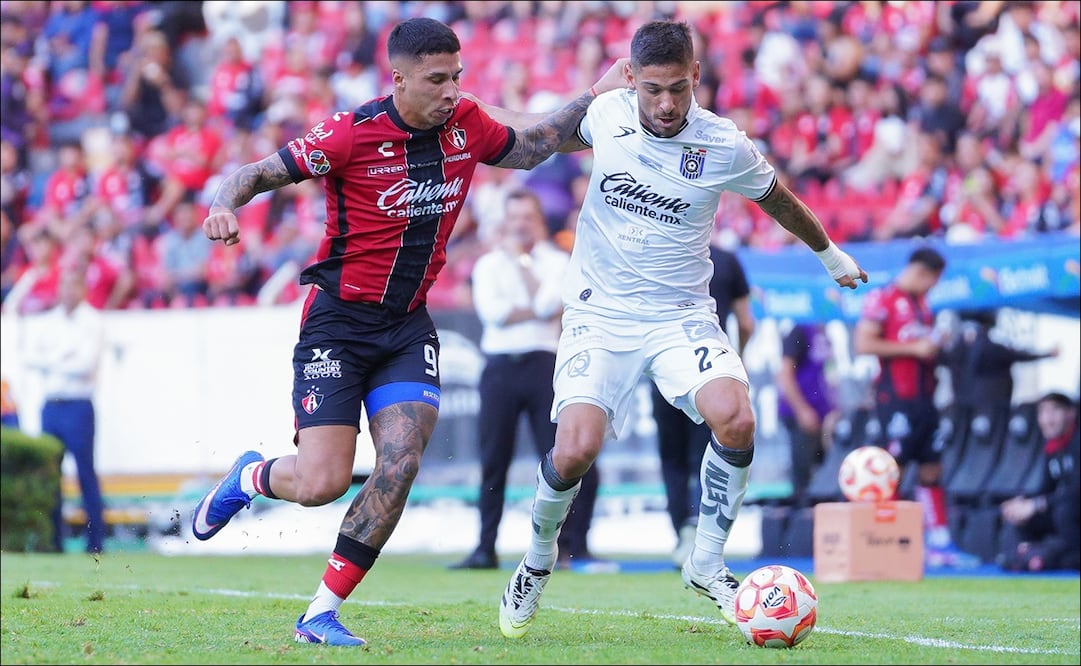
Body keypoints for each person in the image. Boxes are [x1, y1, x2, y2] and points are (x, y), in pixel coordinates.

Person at [189, 17, 628, 647]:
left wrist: (597, 97)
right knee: (322, 484)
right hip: (337, 326)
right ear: (398, 79)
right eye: (436, 79)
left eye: (458, 76)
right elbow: (257, 172)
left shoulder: (466, 124)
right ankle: (252, 477)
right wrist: (222, 206)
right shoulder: (348, 133)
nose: (452, 90)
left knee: (400, 462)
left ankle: (319, 612)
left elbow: (535, 145)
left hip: (406, 326)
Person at [479, 20, 867, 639]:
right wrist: (468, 105)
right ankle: (536, 560)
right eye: (654, 89)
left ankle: (707, 563)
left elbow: (780, 200)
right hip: (599, 314)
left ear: (696, 78)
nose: (665, 104)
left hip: (680, 315)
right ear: (631, 78)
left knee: (736, 417)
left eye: (679, 90)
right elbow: (535, 130)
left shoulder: (723, 144)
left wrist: (831, 256)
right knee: (575, 448)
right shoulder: (606, 116)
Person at [450, 187, 599, 571]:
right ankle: (485, 547)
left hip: (544, 364)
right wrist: (534, 306)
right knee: (493, 459)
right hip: (500, 365)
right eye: (513, 217)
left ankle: (565, 547)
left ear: (537, 219)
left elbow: (548, 305)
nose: (519, 225)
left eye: (526, 217)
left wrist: (523, 268)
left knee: (558, 458)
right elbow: (494, 313)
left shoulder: (555, 261)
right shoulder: (487, 265)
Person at [853, 246, 977, 569]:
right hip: (895, 400)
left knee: (932, 467)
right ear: (923, 273)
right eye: (933, 281)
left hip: (925, 399)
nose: (932, 288)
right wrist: (914, 348)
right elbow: (863, 343)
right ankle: (888, 544)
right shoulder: (883, 299)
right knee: (894, 470)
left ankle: (939, 543)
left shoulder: (923, 304)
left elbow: (924, 348)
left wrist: (936, 345)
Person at [651, 243, 755, 568]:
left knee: (672, 458)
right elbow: (747, 322)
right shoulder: (726, 259)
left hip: (663, 368)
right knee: (705, 453)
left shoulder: (660, 252)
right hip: (708, 371)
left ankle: (682, 530)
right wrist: (735, 360)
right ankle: (700, 532)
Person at [23, 263, 107, 554]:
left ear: (83, 288)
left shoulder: (92, 321)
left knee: (85, 474)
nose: (68, 291)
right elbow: (31, 358)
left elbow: (85, 365)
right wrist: (63, 358)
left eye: (74, 284)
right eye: (64, 284)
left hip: (78, 405)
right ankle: (53, 542)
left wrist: (52, 360)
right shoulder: (49, 321)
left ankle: (95, 543)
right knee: (49, 477)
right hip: (52, 406)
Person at [997, 391, 1080, 572]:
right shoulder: (1053, 447)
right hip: (1066, 508)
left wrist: (1036, 504)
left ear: (1071, 413)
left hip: (1072, 510)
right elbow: (1046, 488)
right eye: (1042, 412)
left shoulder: (1076, 442)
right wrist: (1023, 503)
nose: (1047, 419)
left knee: (1064, 512)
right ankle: (1026, 555)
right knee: (1022, 516)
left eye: (1054, 411)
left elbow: (1076, 491)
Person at [940, 309, 1059, 414]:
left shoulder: (957, 350)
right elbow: (1020, 355)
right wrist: (1047, 354)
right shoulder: (990, 349)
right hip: (990, 410)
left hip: (967, 409)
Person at [775, 321, 839, 508]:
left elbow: (828, 373)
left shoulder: (824, 332)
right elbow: (785, 374)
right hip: (801, 413)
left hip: (823, 416)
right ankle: (800, 525)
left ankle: (819, 522)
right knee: (803, 472)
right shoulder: (800, 330)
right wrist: (802, 410)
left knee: (824, 473)